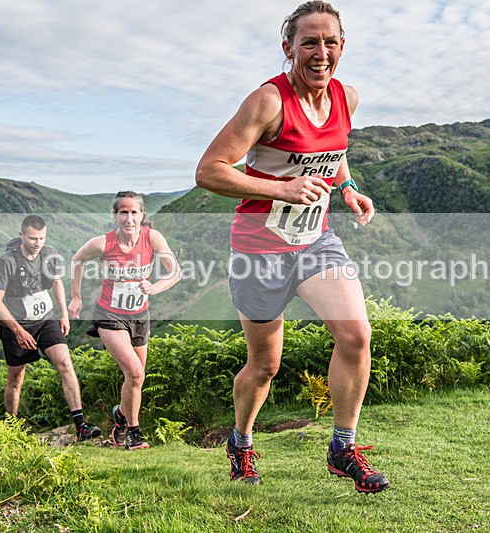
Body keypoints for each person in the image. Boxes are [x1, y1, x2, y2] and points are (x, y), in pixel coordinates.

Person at [195, 1, 389, 492]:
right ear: (289, 48)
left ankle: (342, 448)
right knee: (265, 365)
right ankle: (241, 441)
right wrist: (281, 188)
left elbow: (332, 152)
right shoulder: (268, 102)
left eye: (330, 42)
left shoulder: (347, 98)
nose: (321, 52)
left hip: (315, 241)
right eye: (309, 42)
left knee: (356, 335)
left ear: (342, 46)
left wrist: (347, 188)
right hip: (259, 249)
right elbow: (209, 171)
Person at [68, 191, 181, 450]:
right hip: (110, 315)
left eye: (134, 212)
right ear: (115, 216)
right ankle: (133, 432)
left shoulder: (152, 238)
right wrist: (76, 297)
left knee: (136, 379)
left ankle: (120, 414)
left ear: (142, 215)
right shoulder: (102, 243)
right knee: (134, 372)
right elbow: (77, 260)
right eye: (123, 212)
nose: (129, 218)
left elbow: (175, 272)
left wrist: (155, 287)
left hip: (140, 315)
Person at [0, 215, 100, 441]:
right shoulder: (6, 261)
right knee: (16, 378)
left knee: (65, 364)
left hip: (46, 319)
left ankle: (81, 425)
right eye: (32, 238)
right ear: (21, 235)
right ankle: (11, 428)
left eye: (41, 238)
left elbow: (56, 282)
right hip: (17, 324)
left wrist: (64, 314)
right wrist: (18, 331)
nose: (37, 243)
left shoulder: (50, 254)